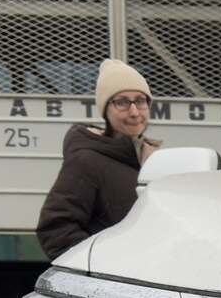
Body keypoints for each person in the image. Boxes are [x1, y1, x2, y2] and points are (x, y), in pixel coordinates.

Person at [35, 59, 163, 259]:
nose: (134, 112)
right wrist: (103, 266)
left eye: (140, 100)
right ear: (105, 110)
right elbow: (56, 230)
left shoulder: (154, 160)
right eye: (122, 102)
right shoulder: (86, 161)